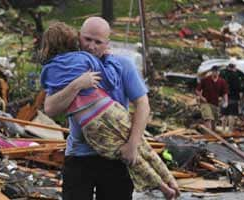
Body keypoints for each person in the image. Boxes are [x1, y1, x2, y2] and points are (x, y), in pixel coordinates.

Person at [42, 18, 179, 200]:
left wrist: (132, 144)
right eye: (87, 39)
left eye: (98, 42)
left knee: (144, 155)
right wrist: (77, 85)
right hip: (79, 154)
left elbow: (143, 104)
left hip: (117, 155)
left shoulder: (123, 65)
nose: (91, 46)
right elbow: (50, 108)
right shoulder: (68, 66)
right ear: (78, 37)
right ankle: (165, 186)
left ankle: (170, 185)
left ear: (107, 43)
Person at [196, 66, 228, 130]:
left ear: (219, 72)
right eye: (214, 72)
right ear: (211, 72)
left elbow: (225, 93)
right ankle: (209, 134)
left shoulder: (222, 81)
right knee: (208, 118)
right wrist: (201, 97)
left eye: (217, 72)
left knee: (214, 121)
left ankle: (212, 134)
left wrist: (226, 101)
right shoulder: (205, 80)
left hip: (215, 103)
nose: (215, 73)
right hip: (205, 102)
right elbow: (197, 90)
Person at [220, 63, 243, 133]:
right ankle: (230, 130)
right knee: (231, 114)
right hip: (234, 97)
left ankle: (223, 129)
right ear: (234, 68)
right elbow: (238, 87)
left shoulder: (223, 74)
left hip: (224, 97)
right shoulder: (235, 75)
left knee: (224, 114)